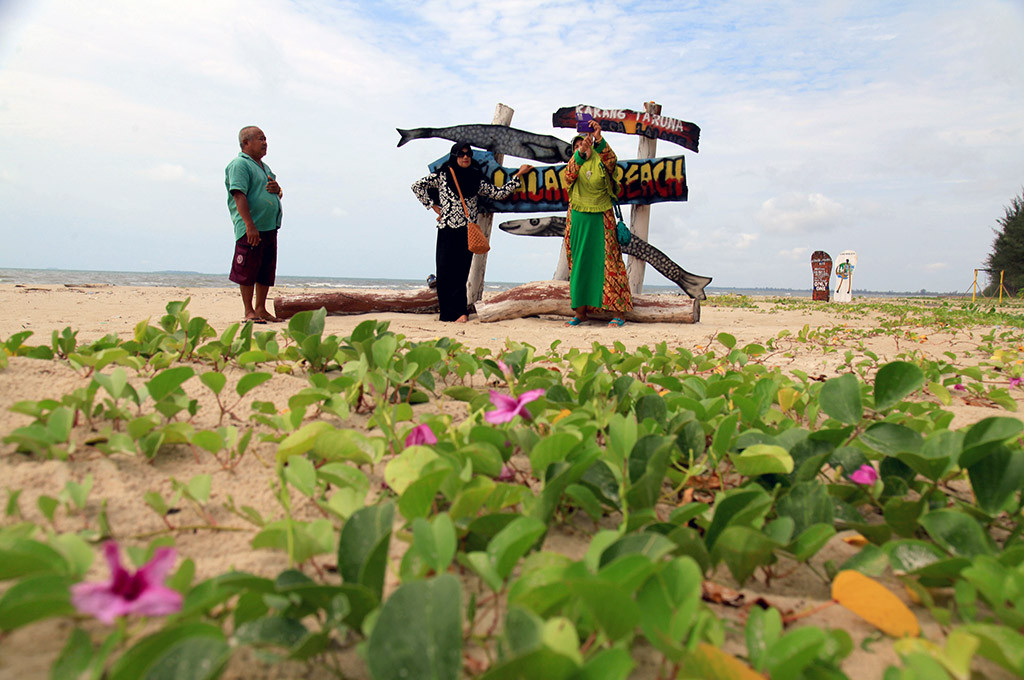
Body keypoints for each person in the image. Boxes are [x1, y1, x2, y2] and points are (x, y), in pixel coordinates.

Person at [412, 143, 533, 322]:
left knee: (461, 274)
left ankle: (461, 313)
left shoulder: (475, 178)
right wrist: (433, 206)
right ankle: (447, 315)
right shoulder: (443, 175)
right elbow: (417, 186)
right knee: (444, 273)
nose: (465, 157)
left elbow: (498, 194)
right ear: (455, 156)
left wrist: (519, 175)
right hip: (446, 230)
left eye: (468, 154)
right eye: (461, 154)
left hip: (466, 232)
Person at [563, 120, 633, 326]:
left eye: (584, 143)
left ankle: (619, 314)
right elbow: (569, 176)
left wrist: (598, 137)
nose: (581, 147)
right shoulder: (574, 163)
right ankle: (581, 312)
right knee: (579, 263)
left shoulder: (602, 160)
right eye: (576, 146)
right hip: (578, 217)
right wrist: (580, 153)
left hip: (602, 216)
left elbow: (612, 160)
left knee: (610, 263)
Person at [225, 126, 283, 323]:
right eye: (260, 139)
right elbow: (238, 194)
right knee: (247, 268)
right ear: (246, 143)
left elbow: (275, 193)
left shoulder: (265, 168)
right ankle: (249, 310)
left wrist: (277, 189)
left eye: (265, 139)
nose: (265, 143)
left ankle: (261, 308)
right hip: (251, 226)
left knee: (265, 269)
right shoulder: (240, 164)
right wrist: (249, 225)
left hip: (269, 226)